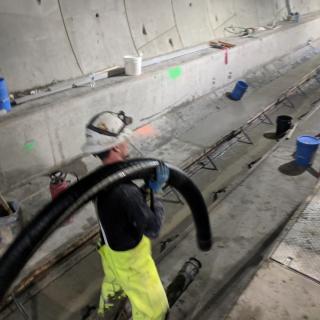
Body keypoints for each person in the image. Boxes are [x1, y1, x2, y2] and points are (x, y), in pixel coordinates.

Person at [82, 110, 169, 319]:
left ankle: (105, 313)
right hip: (131, 261)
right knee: (155, 310)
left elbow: (121, 208)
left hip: (110, 250)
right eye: (125, 139)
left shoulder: (100, 179)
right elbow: (153, 228)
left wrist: (144, 190)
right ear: (115, 146)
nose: (128, 143)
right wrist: (154, 192)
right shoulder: (126, 192)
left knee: (115, 287)